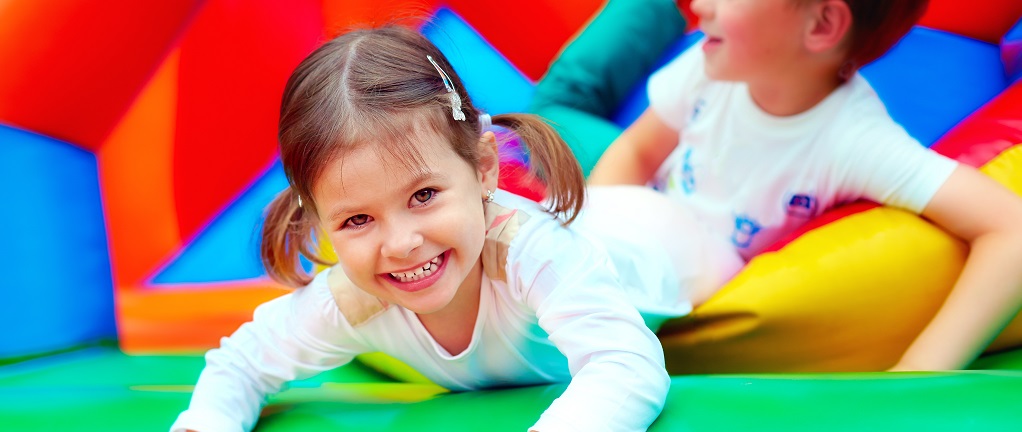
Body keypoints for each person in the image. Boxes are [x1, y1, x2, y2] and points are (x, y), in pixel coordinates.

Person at [170, 25, 727, 432]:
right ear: (318, 221)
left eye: (424, 196)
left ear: (485, 167)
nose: (401, 242)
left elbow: (625, 363)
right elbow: (240, 364)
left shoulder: (529, 252)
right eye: (358, 219)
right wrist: (208, 421)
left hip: (663, 237)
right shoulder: (349, 300)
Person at [588, 0, 1022, 371]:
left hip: (701, 297)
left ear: (821, 25)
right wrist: (585, 229)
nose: (698, 5)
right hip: (640, 236)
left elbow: (1012, 229)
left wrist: (919, 371)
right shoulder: (711, 65)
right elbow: (639, 152)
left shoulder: (853, 141)